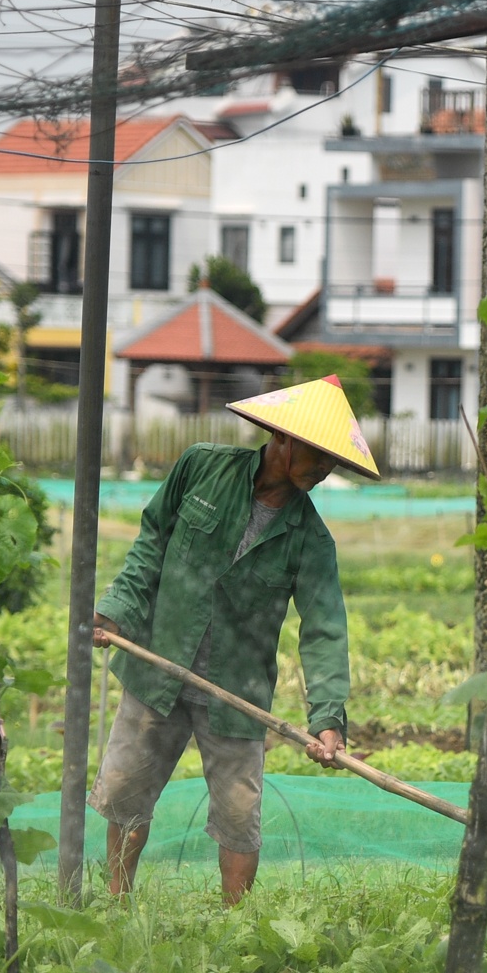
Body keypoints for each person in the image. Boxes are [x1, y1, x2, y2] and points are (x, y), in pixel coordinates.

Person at [88, 376, 380, 904]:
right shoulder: (201, 467)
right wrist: (117, 609)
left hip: (236, 692)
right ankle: (115, 903)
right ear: (282, 437)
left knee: (239, 818)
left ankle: (235, 926)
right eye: (318, 454)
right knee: (126, 796)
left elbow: (324, 629)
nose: (325, 469)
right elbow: (151, 544)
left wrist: (328, 718)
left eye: (334, 461)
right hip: (157, 668)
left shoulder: (311, 540)